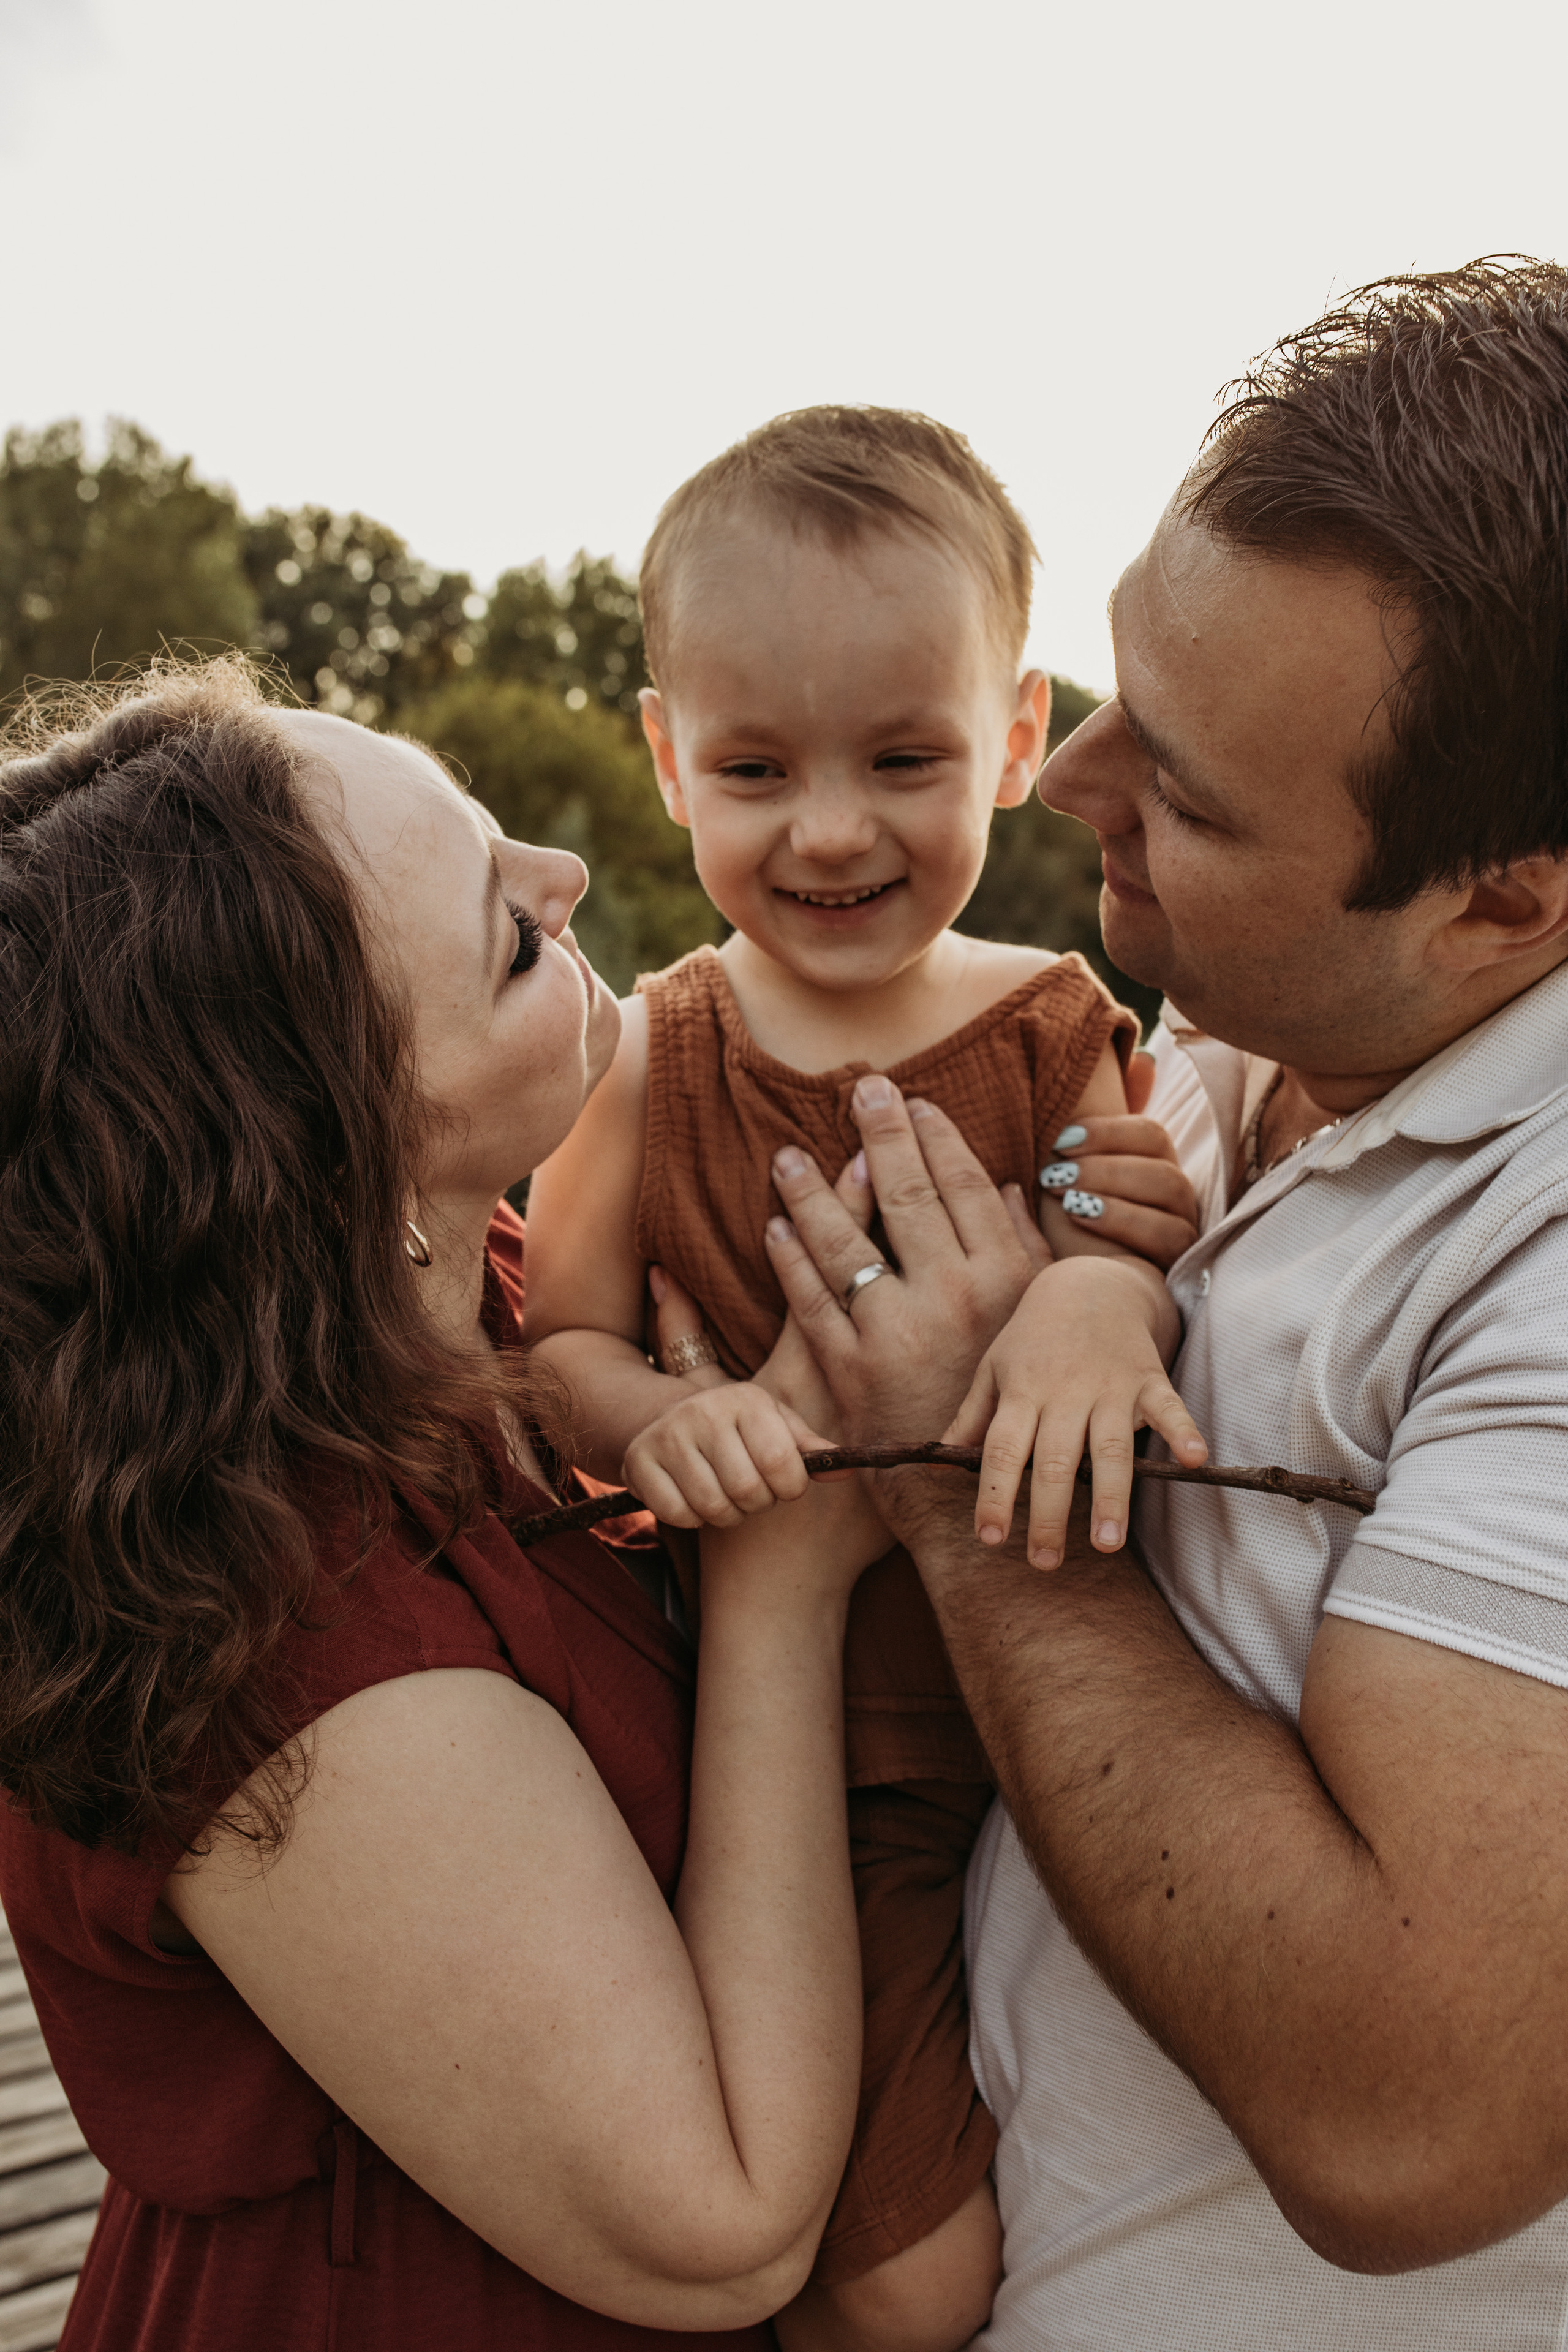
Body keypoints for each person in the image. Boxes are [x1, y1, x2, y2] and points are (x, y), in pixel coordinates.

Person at [760, 258, 1568, 2350]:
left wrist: (956, 1480)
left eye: (1193, 798)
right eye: (1121, 686)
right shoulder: (1209, 1053)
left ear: (1507, 902)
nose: (1065, 787)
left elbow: (1416, 2121)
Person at [0, 659, 896, 2351]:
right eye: (504, 931)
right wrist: (789, 1571)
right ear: (348, 1160)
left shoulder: (479, 1304)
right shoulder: (285, 1632)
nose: (566, 878)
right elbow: (720, 2225)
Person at [522, 409, 1201, 2351]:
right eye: (756, 769)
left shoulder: (1059, 1023)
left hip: (1071, 1710)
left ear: (1014, 733)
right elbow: (553, 1346)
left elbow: (1116, 1221)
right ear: (669, 762)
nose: (828, 829)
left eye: (903, 759)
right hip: (813, 1765)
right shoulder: (660, 1056)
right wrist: (661, 1418)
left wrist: (1088, 1300)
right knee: (906, 2287)